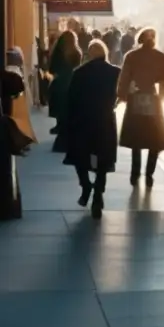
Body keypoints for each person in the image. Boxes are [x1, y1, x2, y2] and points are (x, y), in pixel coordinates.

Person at [63, 40, 120, 219]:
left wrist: (68, 123)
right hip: (104, 121)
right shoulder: (115, 72)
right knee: (103, 160)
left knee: (80, 156)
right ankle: (98, 196)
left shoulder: (79, 73)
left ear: (89, 54)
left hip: (83, 121)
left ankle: (86, 185)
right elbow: (120, 94)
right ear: (104, 53)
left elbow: (70, 100)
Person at [117, 27, 164, 187]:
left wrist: (123, 95)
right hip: (154, 101)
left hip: (136, 99)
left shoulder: (131, 56)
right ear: (154, 39)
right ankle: (149, 173)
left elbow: (124, 78)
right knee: (154, 139)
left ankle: (135, 174)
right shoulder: (162, 57)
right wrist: (162, 97)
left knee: (137, 139)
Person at [48, 30, 83, 150]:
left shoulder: (57, 52)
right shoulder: (77, 52)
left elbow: (51, 69)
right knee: (70, 110)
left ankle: (60, 132)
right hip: (73, 83)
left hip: (59, 84)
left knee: (60, 109)